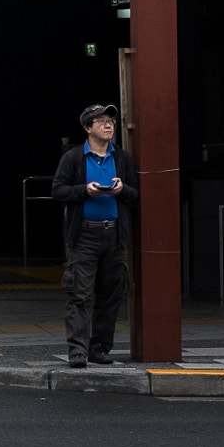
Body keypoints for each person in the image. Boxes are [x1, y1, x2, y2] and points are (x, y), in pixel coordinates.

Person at [52, 104, 139, 368]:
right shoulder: (74, 158)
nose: (108, 125)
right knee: (79, 294)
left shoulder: (121, 158)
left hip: (114, 235)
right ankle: (77, 351)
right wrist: (84, 190)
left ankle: (99, 347)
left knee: (111, 294)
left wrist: (122, 189)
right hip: (85, 235)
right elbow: (58, 191)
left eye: (110, 120)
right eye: (100, 121)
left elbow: (135, 195)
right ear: (88, 128)